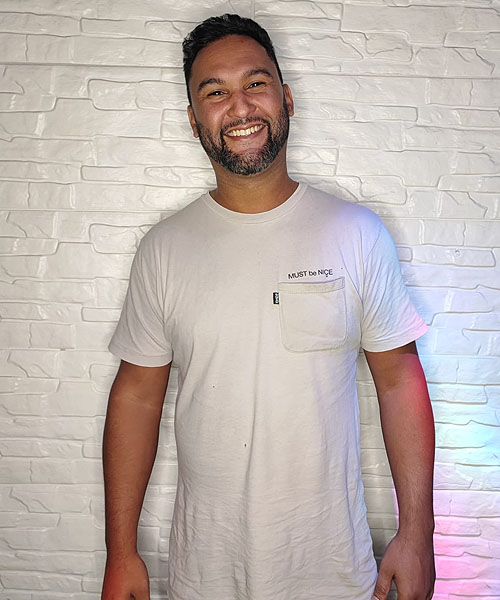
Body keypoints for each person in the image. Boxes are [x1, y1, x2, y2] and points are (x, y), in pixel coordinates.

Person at [101, 14, 435, 600]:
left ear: (286, 98)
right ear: (194, 119)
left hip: (332, 573)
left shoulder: (357, 234)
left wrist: (417, 534)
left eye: (255, 84)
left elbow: (399, 380)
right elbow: (136, 397)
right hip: (205, 576)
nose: (240, 106)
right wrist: (121, 552)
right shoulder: (164, 248)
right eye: (215, 92)